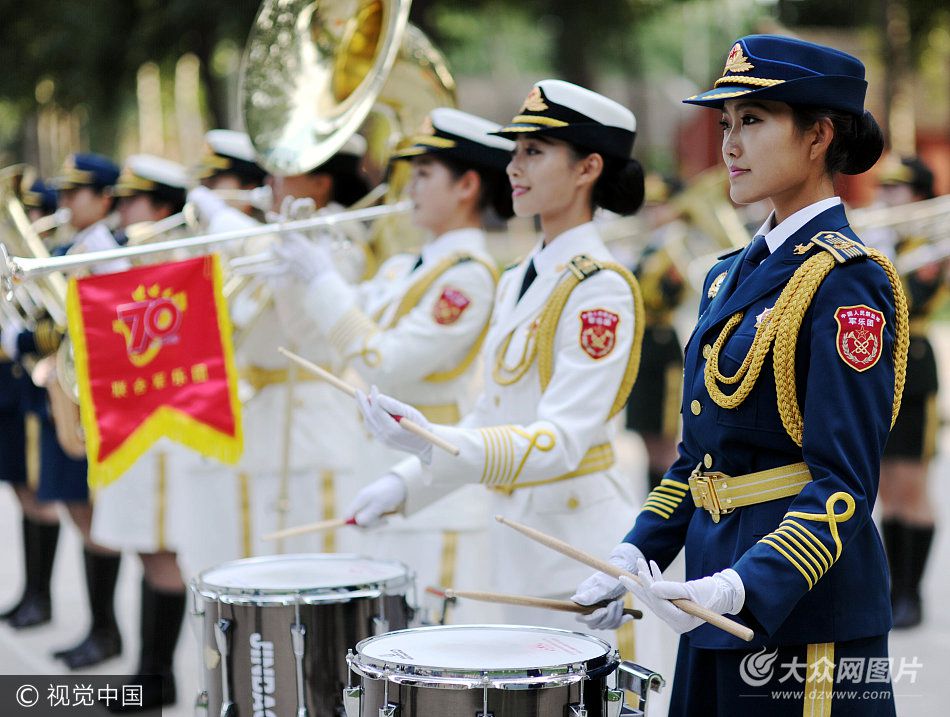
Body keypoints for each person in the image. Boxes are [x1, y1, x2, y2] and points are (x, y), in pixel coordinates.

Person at [571, 35, 907, 716]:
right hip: (713, 600)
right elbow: (699, 458)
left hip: (804, 618)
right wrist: (636, 551)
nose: (730, 143)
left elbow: (843, 488)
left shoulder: (845, 285)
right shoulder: (732, 272)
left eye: (753, 120)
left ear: (818, 135)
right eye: (726, 123)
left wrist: (743, 584)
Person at [345, 80, 646, 635]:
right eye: (514, 152)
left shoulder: (600, 287)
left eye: (534, 151)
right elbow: (492, 414)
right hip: (517, 545)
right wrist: (408, 478)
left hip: (579, 553)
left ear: (587, 169)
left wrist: (440, 443)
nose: (513, 166)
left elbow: (561, 439)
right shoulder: (518, 279)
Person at [276, 108, 513, 619]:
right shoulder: (405, 266)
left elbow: (383, 362)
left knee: (432, 661)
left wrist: (320, 278)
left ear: (467, 185)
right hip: (380, 482)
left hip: (435, 500)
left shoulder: (468, 277)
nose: (409, 187)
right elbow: (313, 337)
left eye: (425, 174)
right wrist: (291, 270)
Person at [179, 134, 370, 567]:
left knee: (315, 570)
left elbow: (297, 310)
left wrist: (223, 220)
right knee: (262, 568)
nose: (270, 180)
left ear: (321, 183)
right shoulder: (289, 231)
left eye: (286, 170)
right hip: (264, 420)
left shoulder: (341, 233)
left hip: (311, 425)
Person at [0, 155, 128, 667]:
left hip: (90, 397)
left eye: (78, 194)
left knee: (90, 513)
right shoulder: (72, 247)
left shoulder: (111, 251)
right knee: (75, 508)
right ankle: (96, 627)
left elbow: (94, 322)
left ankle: (106, 630)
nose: (67, 202)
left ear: (105, 199)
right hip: (61, 391)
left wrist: (23, 337)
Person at [86, 154, 190, 710]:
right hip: (131, 422)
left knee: (162, 546)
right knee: (142, 545)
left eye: (133, 202)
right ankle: (147, 669)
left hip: (166, 426)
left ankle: (157, 674)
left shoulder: (174, 261)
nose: (121, 211)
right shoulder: (127, 254)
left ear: (164, 208)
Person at [874, 156, 944, 629]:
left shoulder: (929, 250)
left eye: (898, 191)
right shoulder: (889, 244)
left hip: (915, 367)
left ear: (918, 197)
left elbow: (906, 302)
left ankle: (912, 594)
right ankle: (893, 589)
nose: (888, 199)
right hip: (881, 369)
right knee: (886, 491)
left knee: (911, 486)